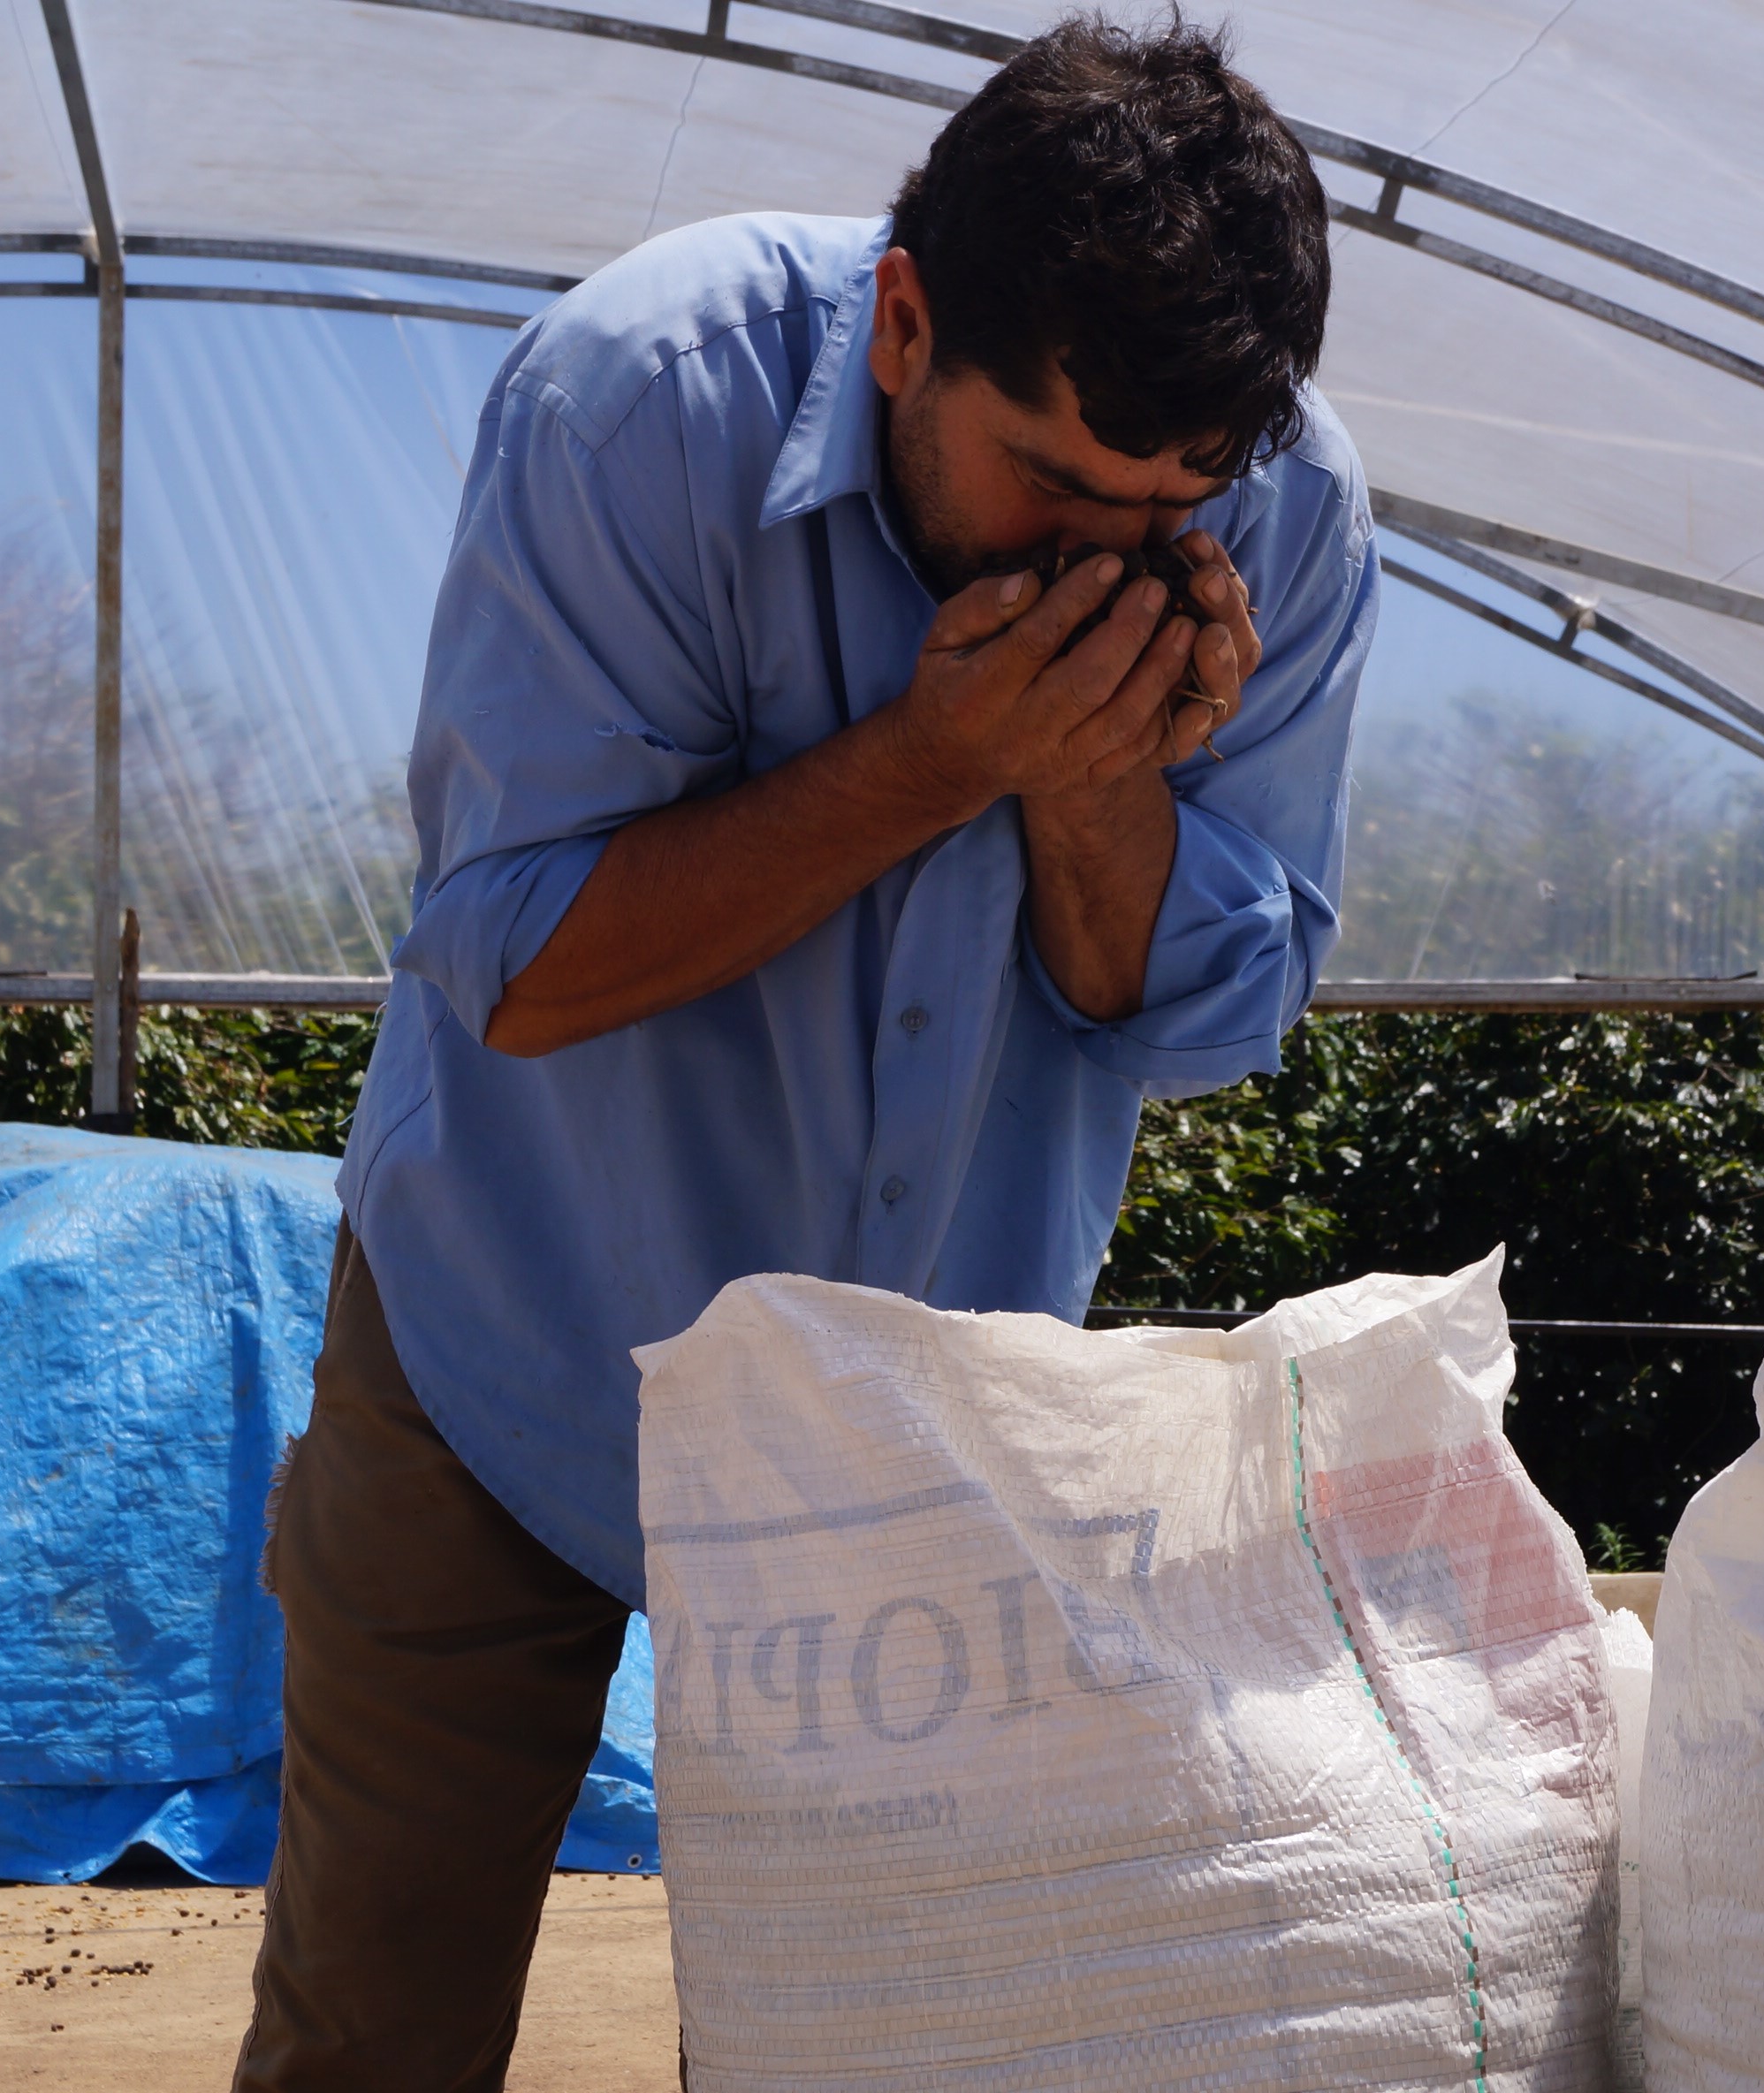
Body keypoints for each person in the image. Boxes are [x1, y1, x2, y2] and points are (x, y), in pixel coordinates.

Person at [232, 18, 1366, 2089]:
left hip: (920, 1425)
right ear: (907, 325)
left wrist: (1091, 780)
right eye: (1051, 483)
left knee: (852, 2034)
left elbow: (1214, 1020)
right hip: (510, 1339)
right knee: (374, 2027)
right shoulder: (639, 399)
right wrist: (934, 760)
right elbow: (515, 967)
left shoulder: (1289, 516)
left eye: (1161, 513)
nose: (1102, 557)